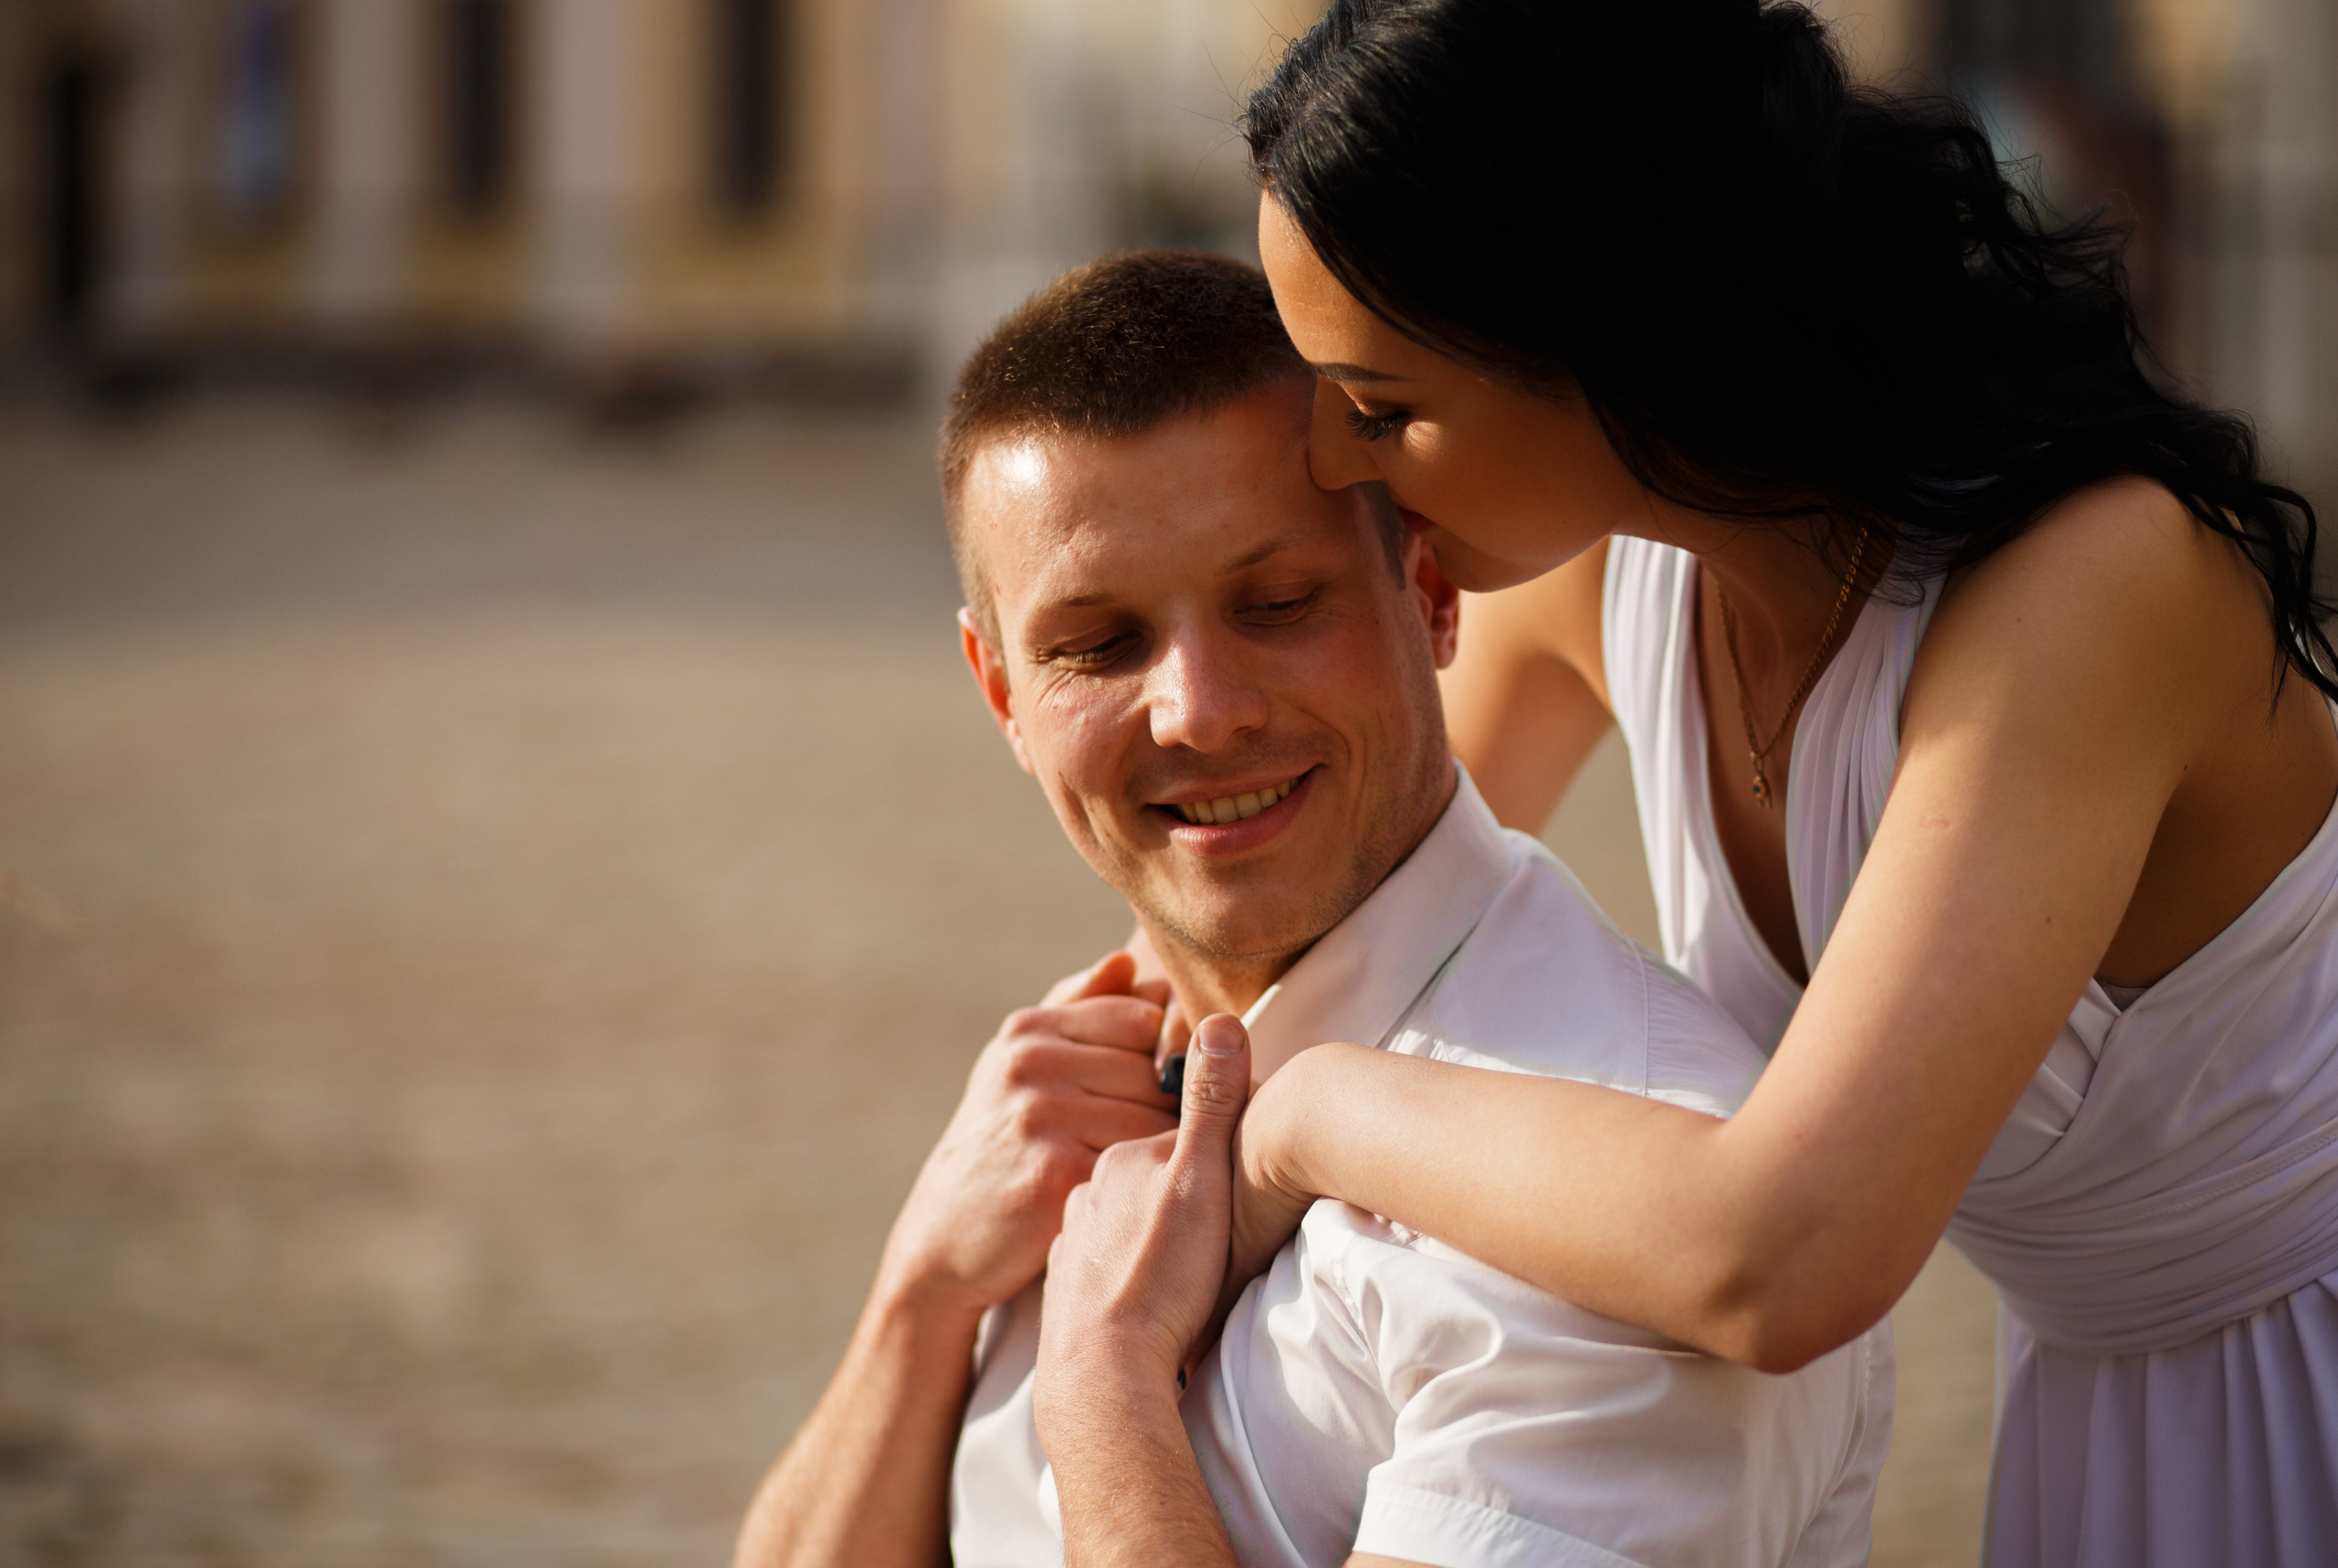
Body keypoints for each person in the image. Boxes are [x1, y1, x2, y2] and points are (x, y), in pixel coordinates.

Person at [1153, 3, 2338, 1565]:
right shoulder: (1605, 578)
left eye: (1382, 405)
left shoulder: (2089, 592)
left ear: (1618, 333)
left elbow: (1788, 1255)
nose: (1334, 459)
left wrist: (1308, 1113)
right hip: (2095, 1402)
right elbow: (1290, 932)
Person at [732, 251, 1890, 1568]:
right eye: (1098, 646)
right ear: (1001, 693)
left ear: (1436, 596)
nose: (1200, 709)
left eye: (1277, 605)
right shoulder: (1052, 1115)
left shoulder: (1615, 1226)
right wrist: (923, 1293)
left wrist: (1104, 1392)